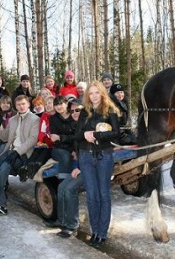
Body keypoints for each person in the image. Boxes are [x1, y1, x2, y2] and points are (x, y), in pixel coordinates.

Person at [75, 81, 120, 247]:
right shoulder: (84, 112)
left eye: (97, 92)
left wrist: (96, 135)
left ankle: (102, 233)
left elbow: (116, 134)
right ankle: (94, 232)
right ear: (87, 95)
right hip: (86, 157)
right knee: (92, 196)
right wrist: (85, 134)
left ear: (102, 94)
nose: (94, 96)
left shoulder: (110, 111)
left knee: (104, 195)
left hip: (104, 156)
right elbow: (77, 136)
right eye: (91, 93)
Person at [0, 95, 39, 216]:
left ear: (28, 104)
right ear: (15, 106)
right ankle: (1, 205)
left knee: (3, 169)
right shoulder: (13, 120)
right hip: (9, 151)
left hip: (23, 154)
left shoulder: (34, 119)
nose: (21, 106)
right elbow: (4, 137)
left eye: (23, 104)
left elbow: (33, 140)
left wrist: (17, 152)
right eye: (18, 104)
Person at [44, 99, 84, 238]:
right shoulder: (73, 123)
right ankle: (61, 220)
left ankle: (72, 224)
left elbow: (85, 144)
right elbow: (60, 139)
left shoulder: (86, 123)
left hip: (88, 166)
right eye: (72, 111)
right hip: (72, 157)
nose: (74, 113)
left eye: (77, 110)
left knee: (68, 189)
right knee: (62, 187)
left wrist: (78, 160)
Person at [49, 95, 77, 180]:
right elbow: (55, 140)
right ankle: (64, 182)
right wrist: (71, 151)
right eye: (56, 105)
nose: (58, 107)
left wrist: (61, 137)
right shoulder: (53, 119)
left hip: (76, 146)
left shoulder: (74, 115)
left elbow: (77, 136)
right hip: (59, 148)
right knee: (65, 156)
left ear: (66, 103)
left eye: (61, 104)